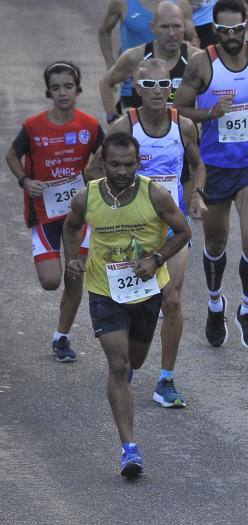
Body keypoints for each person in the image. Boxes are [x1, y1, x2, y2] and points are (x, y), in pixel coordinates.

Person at [63, 133, 191, 477]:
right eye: (115, 164)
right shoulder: (86, 197)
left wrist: (157, 258)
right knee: (119, 365)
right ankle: (129, 449)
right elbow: (71, 227)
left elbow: (183, 231)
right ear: (103, 163)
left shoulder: (154, 194)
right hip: (105, 291)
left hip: (147, 291)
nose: (122, 171)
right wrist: (73, 257)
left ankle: (126, 381)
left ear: (139, 162)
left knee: (134, 360)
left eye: (129, 164)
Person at [89, 58, 208, 408]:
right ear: (137, 89)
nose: (158, 91)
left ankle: (166, 380)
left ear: (171, 88)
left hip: (171, 224)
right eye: (149, 85)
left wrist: (197, 195)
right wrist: (106, 206)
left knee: (172, 300)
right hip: (131, 226)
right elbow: (94, 169)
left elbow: (198, 164)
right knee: (133, 299)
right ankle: (125, 359)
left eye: (164, 84)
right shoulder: (124, 126)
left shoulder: (183, 126)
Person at [175, 0, 248, 349]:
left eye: (236, 29)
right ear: (215, 28)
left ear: (246, 23)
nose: (231, 37)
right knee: (216, 242)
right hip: (215, 169)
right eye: (223, 31)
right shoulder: (201, 64)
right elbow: (178, 108)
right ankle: (214, 304)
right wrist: (209, 112)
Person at [5, 62, 104, 362]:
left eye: (68, 86)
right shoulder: (34, 127)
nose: (63, 92)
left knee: (75, 276)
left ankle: (61, 337)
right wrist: (25, 180)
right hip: (44, 213)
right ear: (48, 92)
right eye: (56, 87)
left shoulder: (90, 126)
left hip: (79, 213)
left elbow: (108, 157)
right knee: (50, 281)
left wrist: (92, 176)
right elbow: (12, 155)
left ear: (78, 88)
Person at [100, 1, 202, 121]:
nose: (171, 33)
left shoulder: (197, 58)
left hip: (182, 136)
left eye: (176, 26)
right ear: (153, 27)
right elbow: (105, 83)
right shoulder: (135, 57)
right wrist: (113, 118)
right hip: (142, 136)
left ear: (185, 26)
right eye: (164, 27)